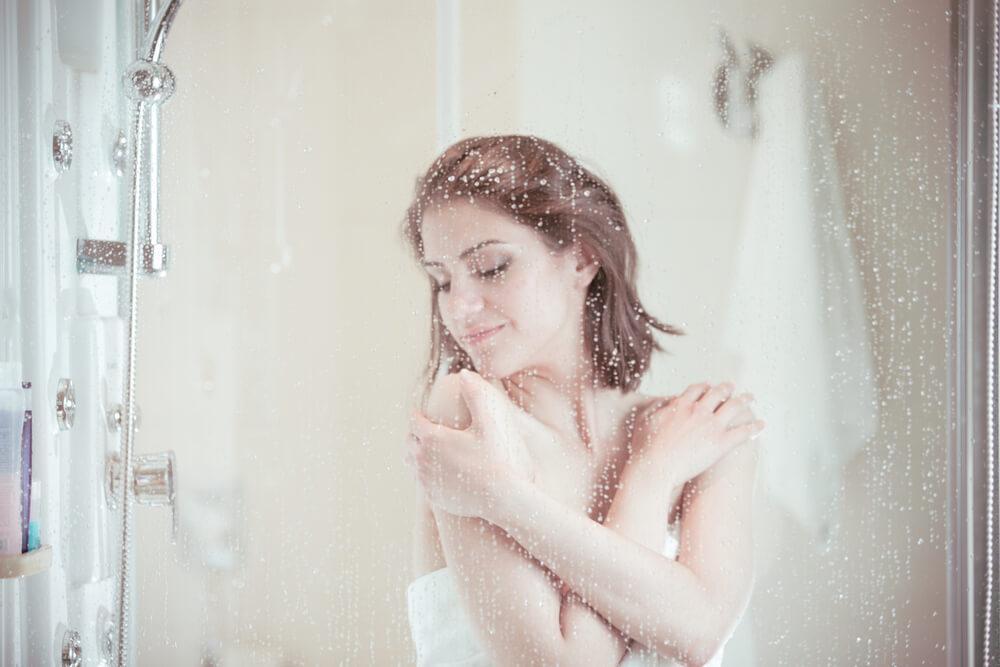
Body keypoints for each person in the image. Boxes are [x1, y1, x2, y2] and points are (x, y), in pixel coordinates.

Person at [400, 134, 765, 666]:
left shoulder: (700, 433)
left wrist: (502, 496)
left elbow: (701, 633)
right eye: (442, 280)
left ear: (582, 258)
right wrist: (654, 476)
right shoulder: (468, 412)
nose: (462, 306)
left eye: (491, 267)